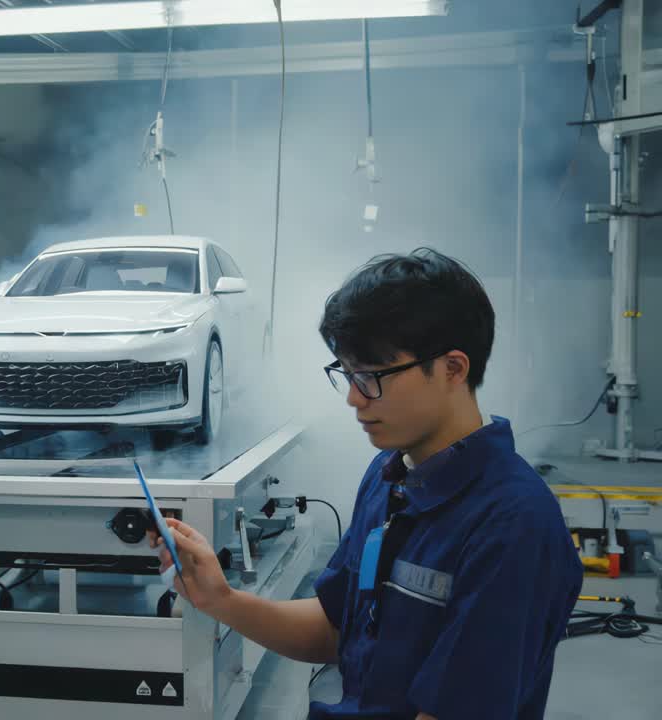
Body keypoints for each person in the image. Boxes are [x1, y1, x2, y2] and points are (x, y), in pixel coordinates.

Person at [150, 248, 582, 719]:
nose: (355, 398)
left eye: (373, 377)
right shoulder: (389, 477)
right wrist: (221, 599)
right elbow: (335, 629)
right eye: (348, 374)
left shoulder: (513, 524)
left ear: (453, 369)